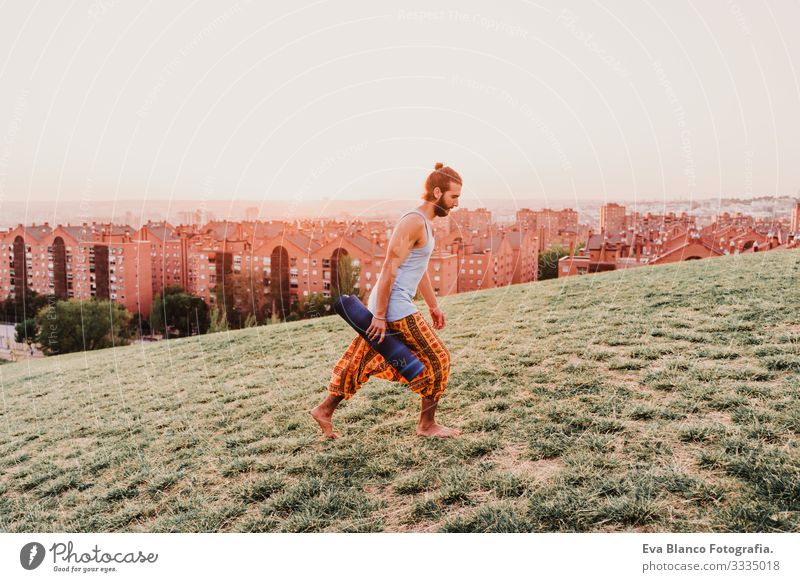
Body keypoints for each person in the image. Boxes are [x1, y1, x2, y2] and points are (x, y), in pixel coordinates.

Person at [311, 163, 463, 438]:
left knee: (363, 357)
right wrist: (380, 315)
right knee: (439, 358)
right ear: (437, 192)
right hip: (394, 307)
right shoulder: (413, 221)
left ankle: (324, 410)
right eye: (453, 197)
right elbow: (389, 268)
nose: (455, 204)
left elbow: (420, 269)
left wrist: (433, 305)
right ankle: (426, 425)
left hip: (394, 305)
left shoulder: (425, 224)